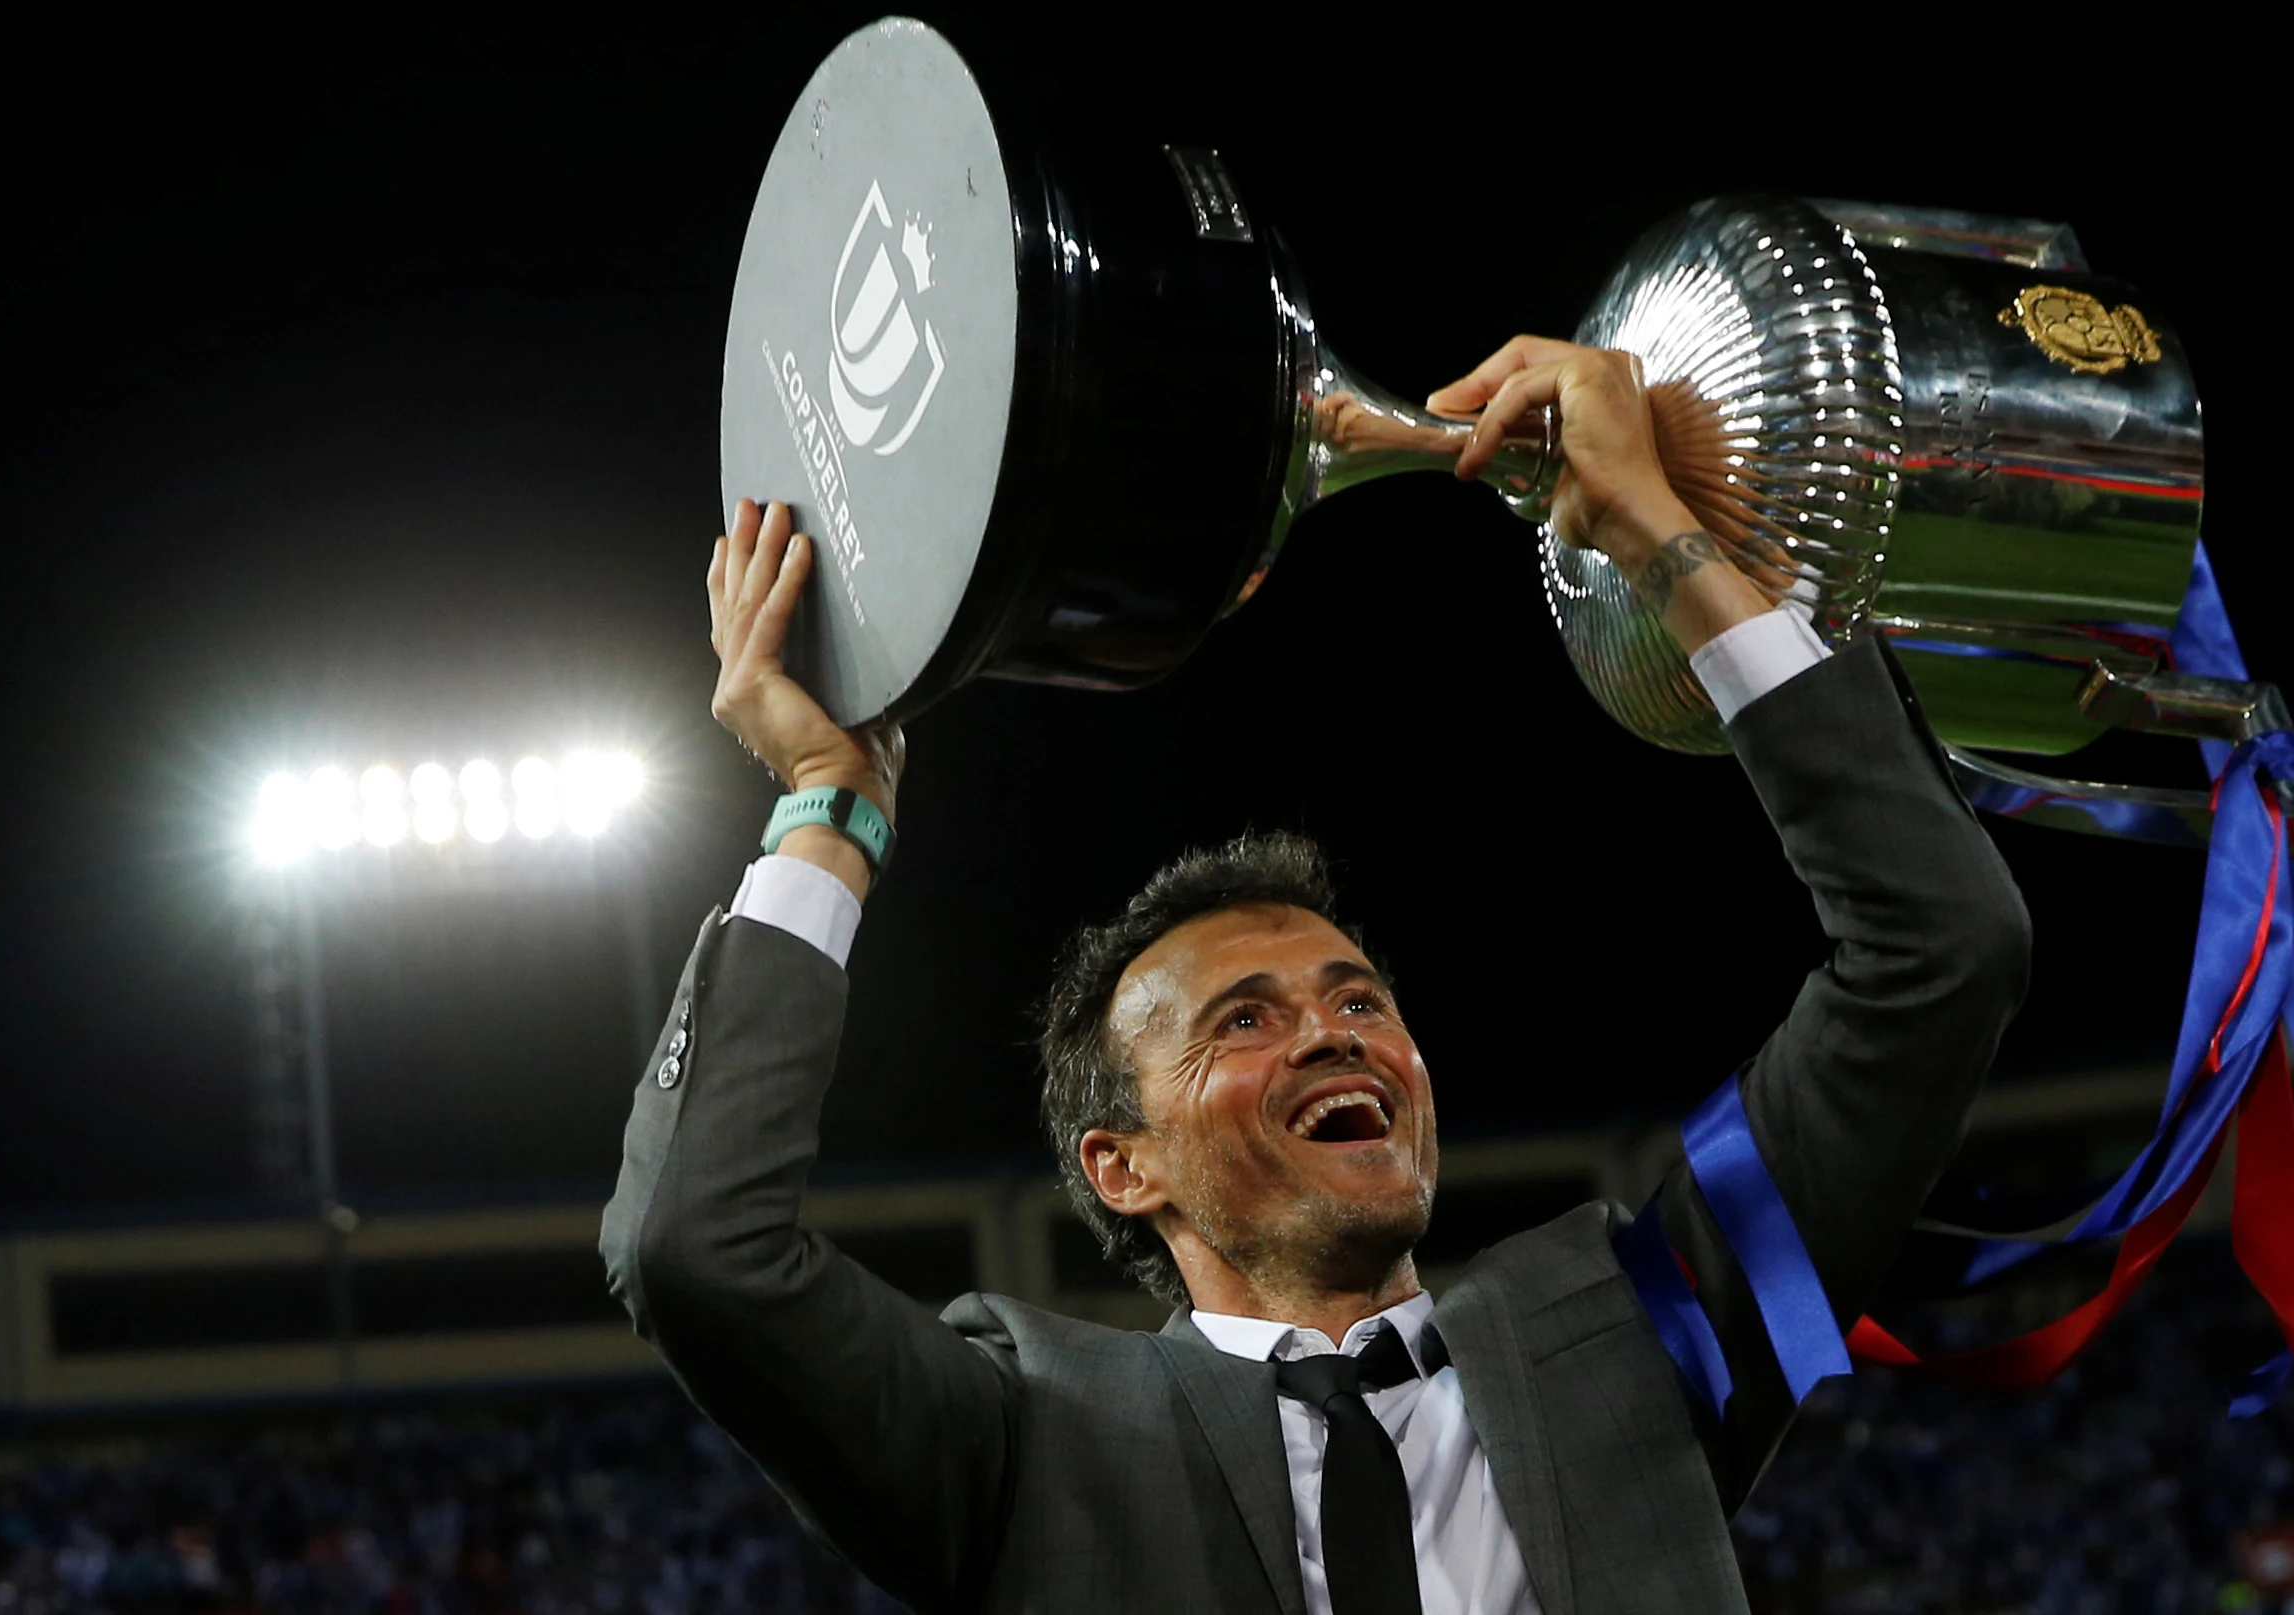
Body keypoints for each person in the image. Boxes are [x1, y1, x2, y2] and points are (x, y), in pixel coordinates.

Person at [600, 338, 2032, 1615]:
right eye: (1247, 1018)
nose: (1334, 1035)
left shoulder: (1636, 1325)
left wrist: (1660, 533)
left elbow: (1937, 953)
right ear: (1121, 1163)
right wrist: (826, 801)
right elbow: (698, 1251)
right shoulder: (1025, 1436)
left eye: (1360, 1000)